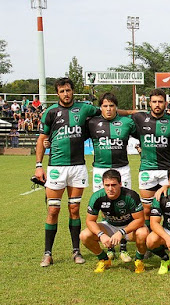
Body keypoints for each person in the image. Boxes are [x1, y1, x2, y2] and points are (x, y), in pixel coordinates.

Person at [34, 77, 100, 267]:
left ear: (73, 91)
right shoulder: (50, 112)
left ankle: (76, 251)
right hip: (56, 167)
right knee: (53, 209)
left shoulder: (84, 108)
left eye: (68, 90)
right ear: (57, 93)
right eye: (62, 91)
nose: (66, 94)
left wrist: (131, 113)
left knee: (74, 209)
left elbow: (106, 110)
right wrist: (39, 165)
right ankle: (48, 253)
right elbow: (42, 139)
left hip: (78, 166)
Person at [87, 92, 137, 261]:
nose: (108, 109)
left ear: (116, 107)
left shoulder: (127, 123)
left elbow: (143, 135)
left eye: (111, 106)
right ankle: (109, 247)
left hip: (121, 169)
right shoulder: (92, 123)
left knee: (126, 206)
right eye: (105, 106)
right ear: (100, 107)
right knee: (103, 204)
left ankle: (123, 247)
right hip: (100, 170)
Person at [129, 89, 170, 231]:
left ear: (166, 103)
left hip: (167, 170)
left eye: (160, 102)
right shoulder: (140, 118)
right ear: (149, 103)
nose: (157, 105)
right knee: (147, 210)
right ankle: (149, 242)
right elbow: (124, 115)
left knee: (169, 207)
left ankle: (168, 238)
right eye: (154, 102)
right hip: (147, 169)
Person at [79, 170, 149, 273]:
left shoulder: (131, 195)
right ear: (103, 185)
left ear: (120, 184)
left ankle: (139, 260)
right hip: (109, 226)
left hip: (129, 227)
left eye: (114, 185)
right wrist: (101, 234)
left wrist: (122, 232)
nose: (110, 189)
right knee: (84, 235)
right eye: (107, 185)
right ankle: (104, 259)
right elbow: (90, 221)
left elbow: (140, 220)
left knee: (143, 233)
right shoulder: (97, 197)